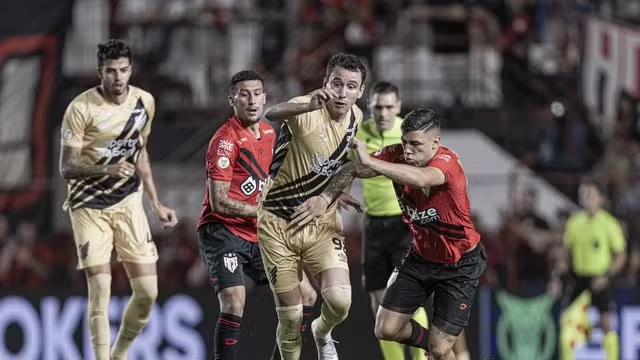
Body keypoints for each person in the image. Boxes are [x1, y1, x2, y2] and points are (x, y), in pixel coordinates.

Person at [292, 109, 486, 360]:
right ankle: (441, 349)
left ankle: (441, 350)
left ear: (435, 143)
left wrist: (372, 162)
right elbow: (352, 167)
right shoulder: (395, 155)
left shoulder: (448, 163)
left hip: (460, 264)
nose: (407, 150)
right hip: (421, 258)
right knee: (385, 328)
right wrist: (327, 195)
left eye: (415, 144)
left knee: (439, 350)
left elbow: (420, 179)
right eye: (405, 142)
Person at [59, 39, 178, 360]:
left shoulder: (144, 103)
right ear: (100, 72)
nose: (117, 77)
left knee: (148, 293)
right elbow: (67, 167)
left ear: (131, 70)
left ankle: (119, 354)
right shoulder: (81, 109)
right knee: (100, 288)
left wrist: (156, 202)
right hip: (88, 207)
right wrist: (107, 168)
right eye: (110, 71)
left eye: (123, 70)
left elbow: (141, 154)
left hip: (128, 204)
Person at [196, 70, 317, 360]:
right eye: (244, 94)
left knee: (307, 296)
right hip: (222, 231)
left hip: (258, 233)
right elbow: (219, 202)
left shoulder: (270, 134)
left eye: (257, 93)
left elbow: (273, 182)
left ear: (265, 97)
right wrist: (266, 212)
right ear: (232, 100)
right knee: (235, 300)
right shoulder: (224, 141)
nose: (252, 100)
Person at [258, 53, 366, 360]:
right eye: (337, 84)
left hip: (321, 221)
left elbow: (341, 163)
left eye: (350, 86)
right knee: (291, 319)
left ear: (360, 91)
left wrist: (334, 193)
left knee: (340, 302)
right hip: (278, 223)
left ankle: (323, 332)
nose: (342, 92)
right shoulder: (306, 108)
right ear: (325, 83)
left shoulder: (356, 118)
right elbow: (273, 113)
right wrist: (305, 104)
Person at [352, 81, 428, 360]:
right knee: (378, 300)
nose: (382, 112)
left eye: (388, 107)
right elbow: (346, 170)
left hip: (404, 224)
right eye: (377, 107)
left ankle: (421, 357)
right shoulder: (360, 134)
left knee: (410, 297)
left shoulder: (408, 134)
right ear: (369, 107)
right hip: (373, 225)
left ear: (398, 107)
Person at [552, 178, 626, 360]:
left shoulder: (609, 224)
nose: (586, 199)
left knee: (606, 323)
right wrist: (556, 277)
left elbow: (621, 256)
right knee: (568, 321)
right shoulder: (575, 223)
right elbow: (565, 254)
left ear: (600, 198)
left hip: (601, 278)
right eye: (583, 195)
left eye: (590, 195)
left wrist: (607, 276)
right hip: (579, 278)